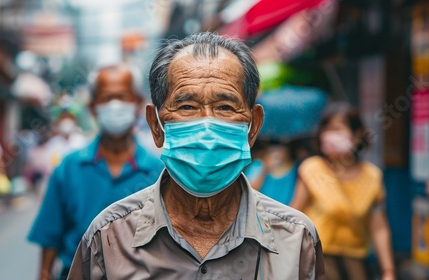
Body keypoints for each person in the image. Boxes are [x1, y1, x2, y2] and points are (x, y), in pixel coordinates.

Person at [68, 32, 325, 279]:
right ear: (156, 126)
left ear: (253, 127)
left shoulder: (296, 240)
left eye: (225, 107)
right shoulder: (108, 238)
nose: (206, 125)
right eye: (187, 107)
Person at [28, 64, 164, 280]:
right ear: (92, 107)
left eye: (122, 96)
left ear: (138, 104)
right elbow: (49, 242)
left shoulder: (159, 172)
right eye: (106, 98)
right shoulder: (69, 169)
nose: (115, 105)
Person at [290, 103, 396, 280]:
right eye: (326, 130)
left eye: (338, 129)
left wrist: (388, 271)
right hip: (317, 259)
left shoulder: (372, 176)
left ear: (357, 135)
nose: (330, 136)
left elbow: (379, 227)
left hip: (357, 262)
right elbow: (294, 217)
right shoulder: (312, 169)